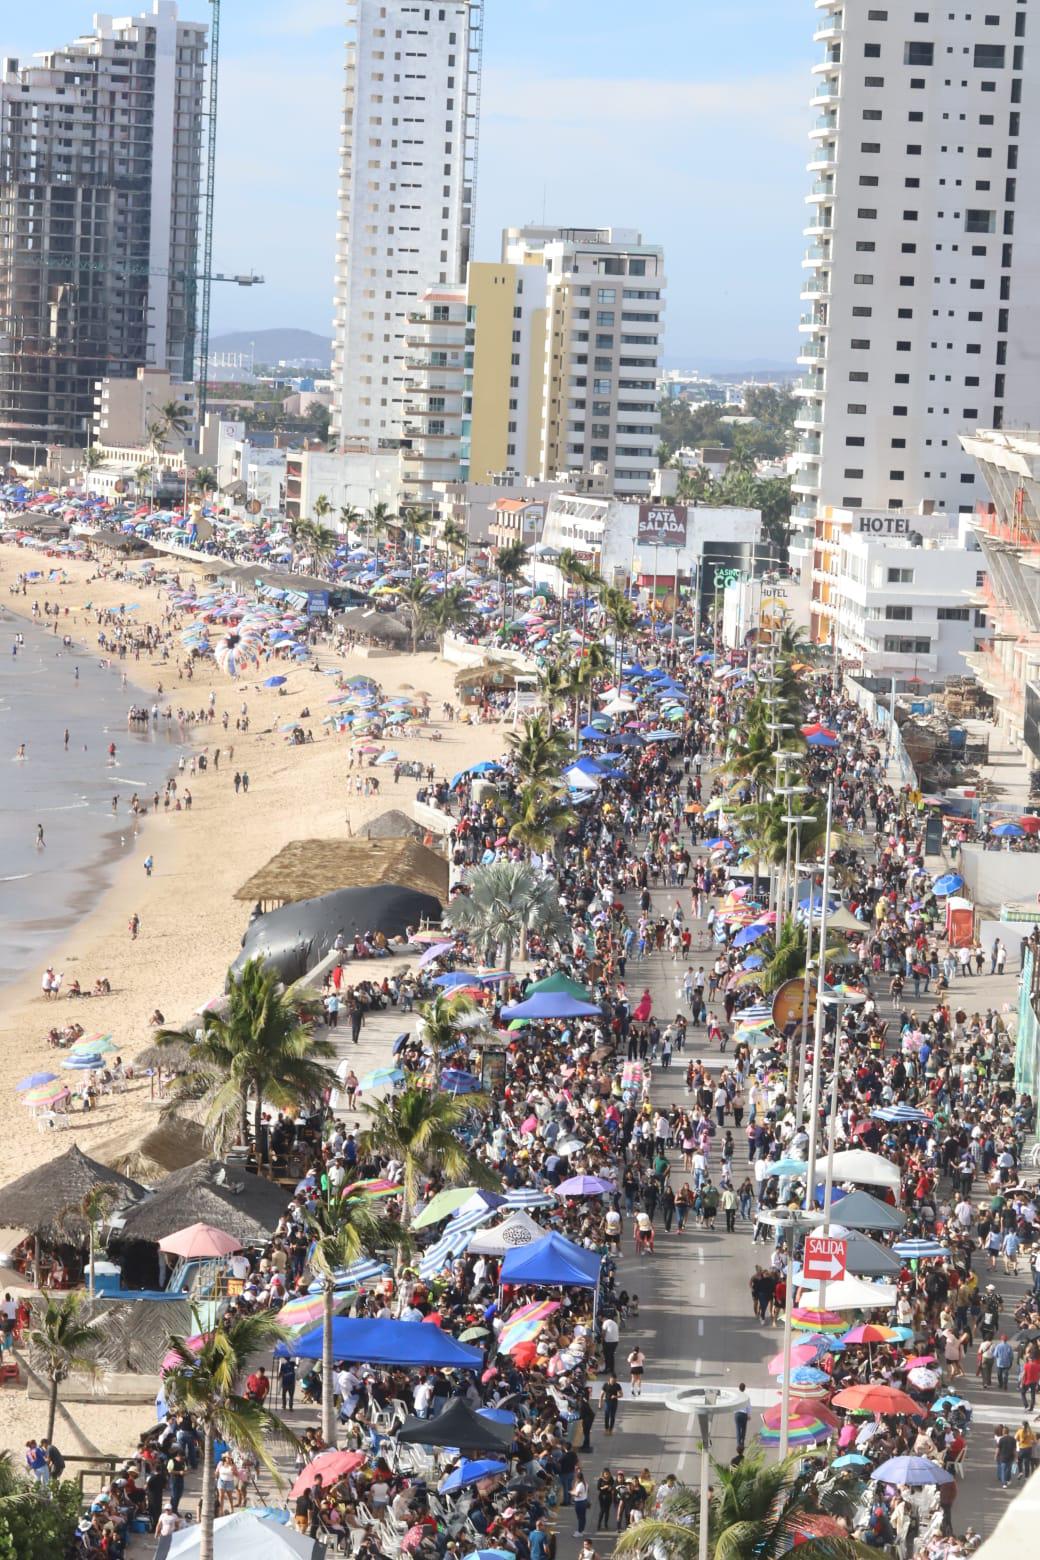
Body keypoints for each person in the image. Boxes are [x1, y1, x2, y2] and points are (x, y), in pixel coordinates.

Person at [996, 1424, 1017, 1488]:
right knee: (1008, 1469)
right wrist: (1016, 1457)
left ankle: (1004, 1483)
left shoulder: (1001, 1439)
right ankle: (1008, 1480)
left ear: (1003, 1432)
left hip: (1003, 1457)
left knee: (1003, 1470)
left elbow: (998, 1449)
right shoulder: (1013, 1439)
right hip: (1010, 1457)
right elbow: (1014, 1450)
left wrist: (996, 1455)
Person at [573, 1468, 590, 1536]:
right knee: (583, 1517)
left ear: (577, 1478)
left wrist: (572, 1493)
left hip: (579, 1503)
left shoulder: (580, 1485)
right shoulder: (585, 1483)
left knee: (580, 1517)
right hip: (584, 1501)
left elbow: (577, 1494)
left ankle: (579, 1532)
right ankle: (582, 1530)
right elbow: (587, 1491)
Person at [734, 1384, 750, 1456]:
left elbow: (733, 1404)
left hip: (737, 1414)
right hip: (744, 1414)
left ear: (739, 1388)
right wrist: (748, 1415)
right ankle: (742, 1443)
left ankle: (738, 1444)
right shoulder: (746, 1397)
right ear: (744, 1389)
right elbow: (748, 1406)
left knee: (737, 1429)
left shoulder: (736, 1396)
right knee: (743, 1429)